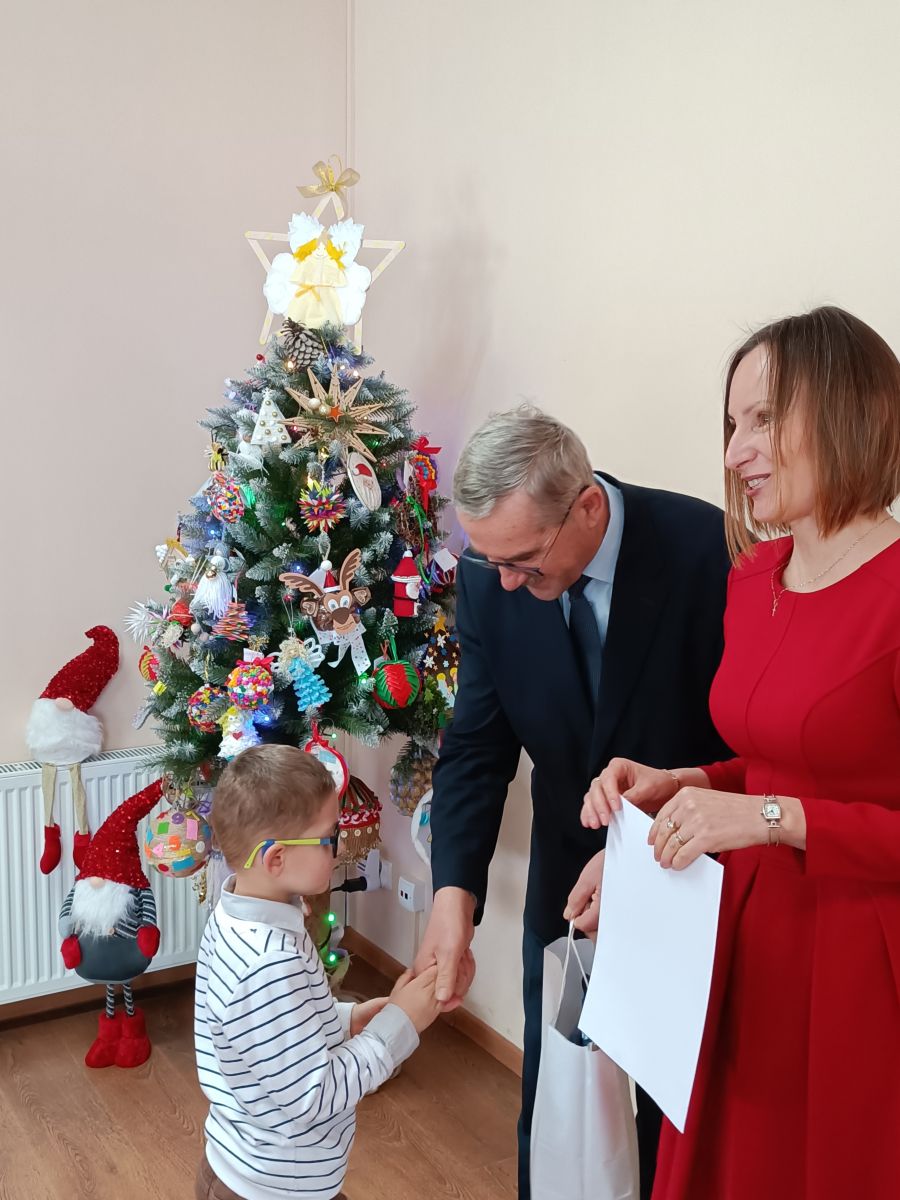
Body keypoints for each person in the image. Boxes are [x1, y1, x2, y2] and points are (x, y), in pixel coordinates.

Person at [576, 306, 900, 1199]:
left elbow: (785, 800)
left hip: (858, 965)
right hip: (740, 941)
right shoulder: (755, 577)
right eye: (730, 424)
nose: (735, 451)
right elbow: (771, 762)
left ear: (848, 413)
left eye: (762, 420)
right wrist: (681, 787)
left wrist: (765, 817)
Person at [413, 404, 733, 1199]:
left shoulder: (707, 548)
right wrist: (453, 897)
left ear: (588, 507)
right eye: (491, 562)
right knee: (560, 1102)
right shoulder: (488, 579)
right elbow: (477, 746)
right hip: (566, 886)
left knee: (678, 1116)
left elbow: (745, 736)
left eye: (523, 561)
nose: (505, 582)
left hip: (688, 875)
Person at [194, 744, 440, 1200]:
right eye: (329, 837)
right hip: (274, 1187)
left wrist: (349, 1020)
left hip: (260, 1170)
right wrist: (398, 1026)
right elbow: (315, 1095)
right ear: (276, 859)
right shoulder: (268, 963)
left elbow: (272, 1035)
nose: (340, 847)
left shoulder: (238, 915)